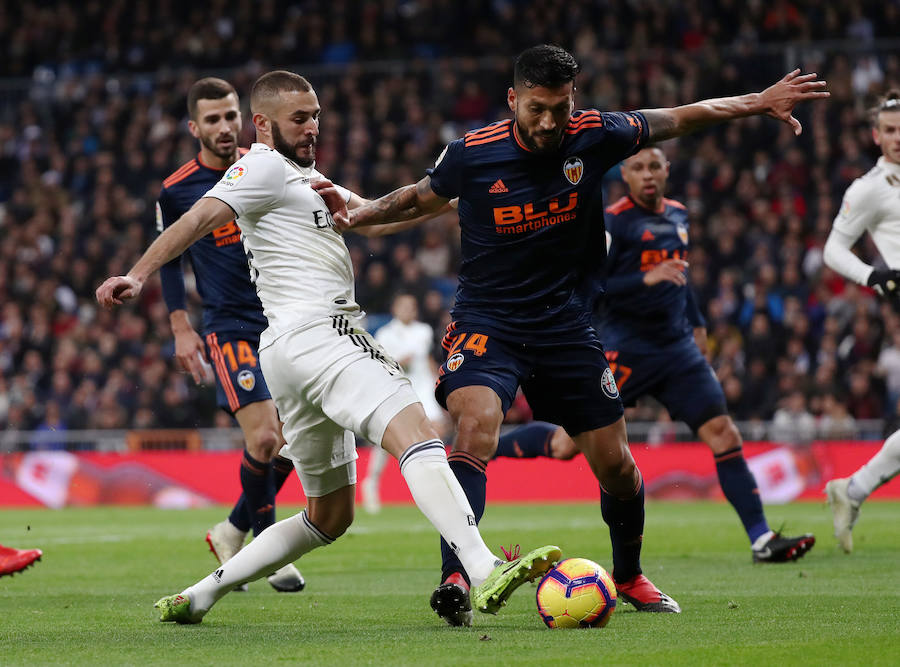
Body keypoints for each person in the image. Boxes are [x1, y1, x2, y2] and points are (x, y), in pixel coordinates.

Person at [338, 44, 827, 625]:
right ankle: (457, 576)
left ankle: (629, 576)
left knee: (617, 465)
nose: (550, 122)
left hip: (566, 324)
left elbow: (682, 116)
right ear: (513, 100)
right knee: (474, 430)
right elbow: (421, 197)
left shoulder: (594, 134)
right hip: (488, 320)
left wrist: (757, 103)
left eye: (561, 108)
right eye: (538, 109)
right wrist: (363, 213)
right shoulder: (473, 152)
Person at [96, 70, 560, 625]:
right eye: (300, 118)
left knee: (328, 517)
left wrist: (465, 190)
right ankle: (483, 568)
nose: (313, 125)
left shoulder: (303, 177)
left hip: (289, 356)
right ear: (263, 125)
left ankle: (201, 594)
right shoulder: (261, 166)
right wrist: (139, 274)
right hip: (323, 335)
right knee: (419, 432)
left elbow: (379, 220)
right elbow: (196, 217)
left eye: (316, 114)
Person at [597, 145, 814, 561]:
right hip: (625, 350)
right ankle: (493, 447)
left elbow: (681, 277)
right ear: (624, 174)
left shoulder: (678, 213)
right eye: (638, 167)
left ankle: (762, 539)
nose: (647, 175)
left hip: (678, 349)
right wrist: (646, 277)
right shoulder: (613, 222)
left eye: (654, 166)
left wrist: (697, 326)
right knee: (571, 444)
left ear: (666, 170)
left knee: (724, 434)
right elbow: (594, 287)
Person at [156, 77, 303, 592]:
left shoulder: (265, 167)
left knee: (294, 445)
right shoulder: (177, 189)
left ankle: (232, 529)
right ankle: (268, 550)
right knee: (264, 437)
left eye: (230, 116)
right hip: (229, 327)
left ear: (243, 117)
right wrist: (181, 327)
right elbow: (170, 259)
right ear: (194, 127)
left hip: (285, 322)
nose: (224, 127)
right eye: (212, 120)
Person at [823, 90, 900, 553]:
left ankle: (851, 490)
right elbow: (832, 250)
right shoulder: (869, 188)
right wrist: (874, 276)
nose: (898, 138)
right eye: (890, 130)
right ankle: (851, 490)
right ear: (876, 136)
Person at [362, 293, 449, 513]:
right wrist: (400, 361)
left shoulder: (424, 331)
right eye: (404, 306)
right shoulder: (385, 334)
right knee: (386, 440)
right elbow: (379, 364)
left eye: (411, 306)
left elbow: (428, 358)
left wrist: (437, 382)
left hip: (424, 387)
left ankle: (436, 489)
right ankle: (371, 482)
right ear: (395, 309)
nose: (408, 310)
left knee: (436, 430)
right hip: (397, 386)